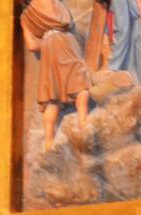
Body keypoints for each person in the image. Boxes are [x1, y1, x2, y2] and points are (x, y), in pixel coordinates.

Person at [22, 0, 91, 151]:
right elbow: (68, 23)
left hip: (49, 51)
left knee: (51, 95)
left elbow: (32, 45)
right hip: (67, 43)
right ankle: (83, 122)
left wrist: (48, 41)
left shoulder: (26, 17)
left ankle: (48, 141)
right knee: (80, 82)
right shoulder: (55, 3)